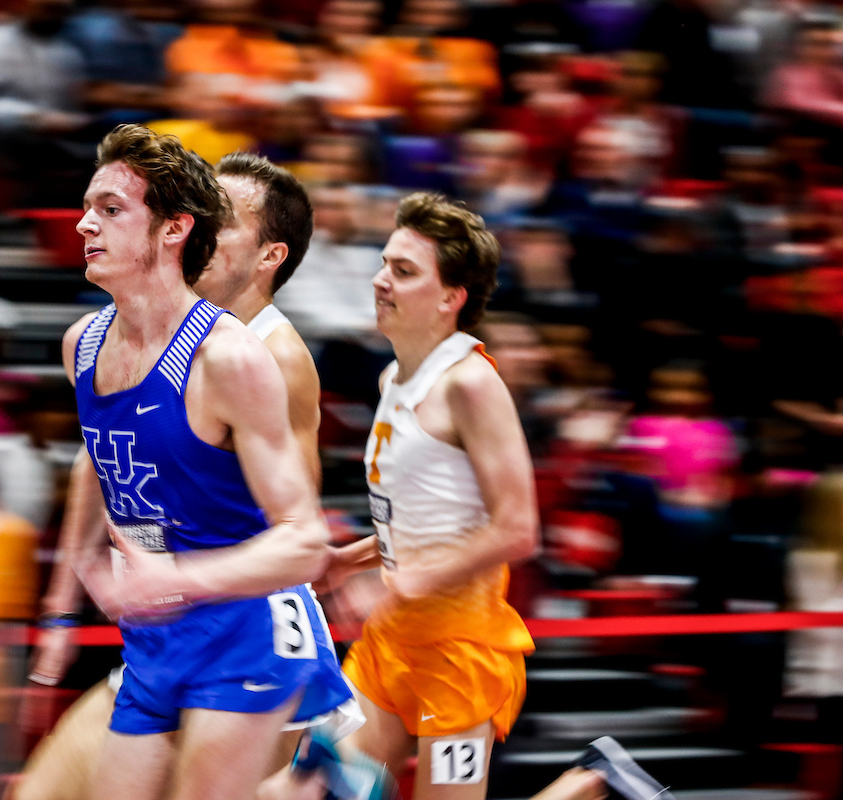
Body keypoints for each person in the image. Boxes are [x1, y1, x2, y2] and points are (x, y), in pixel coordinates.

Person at [39, 125, 352, 800]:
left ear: (174, 230)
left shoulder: (236, 357)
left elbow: (302, 540)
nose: (84, 223)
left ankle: (308, 785)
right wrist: (60, 610)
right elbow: (98, 468)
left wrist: (175, 577)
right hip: (152, 634)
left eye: (111, 209)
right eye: (88, 205)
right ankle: (312, 787)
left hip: (242, 628)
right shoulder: (82, 347)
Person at [315, 192, 538, 800]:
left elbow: (518, 529)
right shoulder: (393, 377)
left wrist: (412, 579)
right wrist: (350, 560)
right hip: (390, 641)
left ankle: (592, 784)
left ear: (450, 298)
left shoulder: (471, 383)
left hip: (460, 652)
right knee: (316, 790)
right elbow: (421, 522)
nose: (380, 280)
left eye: (404, 271)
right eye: (386, 263)